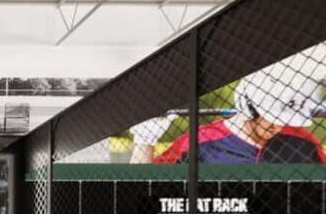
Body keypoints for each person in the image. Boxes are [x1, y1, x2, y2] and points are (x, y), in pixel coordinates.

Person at [131, 67, 326, 164]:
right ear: (249, 106)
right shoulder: (200, 142)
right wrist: (144, 141)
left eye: (286, 119)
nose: (279, 126)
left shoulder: (304, 142)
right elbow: (142, 189)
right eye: (274, 117)